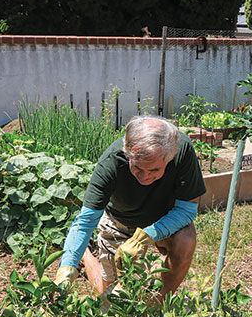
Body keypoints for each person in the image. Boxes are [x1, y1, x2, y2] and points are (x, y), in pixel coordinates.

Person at [54, 115, 207, 297]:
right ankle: (86, 253)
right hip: (120, 221)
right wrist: (67, 266)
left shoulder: (181, 150)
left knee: (186, 239)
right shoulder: (111, 162)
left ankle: (161, 302)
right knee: (111, 299)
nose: (144, 177)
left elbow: (186, 210)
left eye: (154, 170)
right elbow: (86, 221)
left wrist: (146, 236)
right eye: (138, 168)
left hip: (164, 220)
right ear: (127, 153)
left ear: (169, 158)